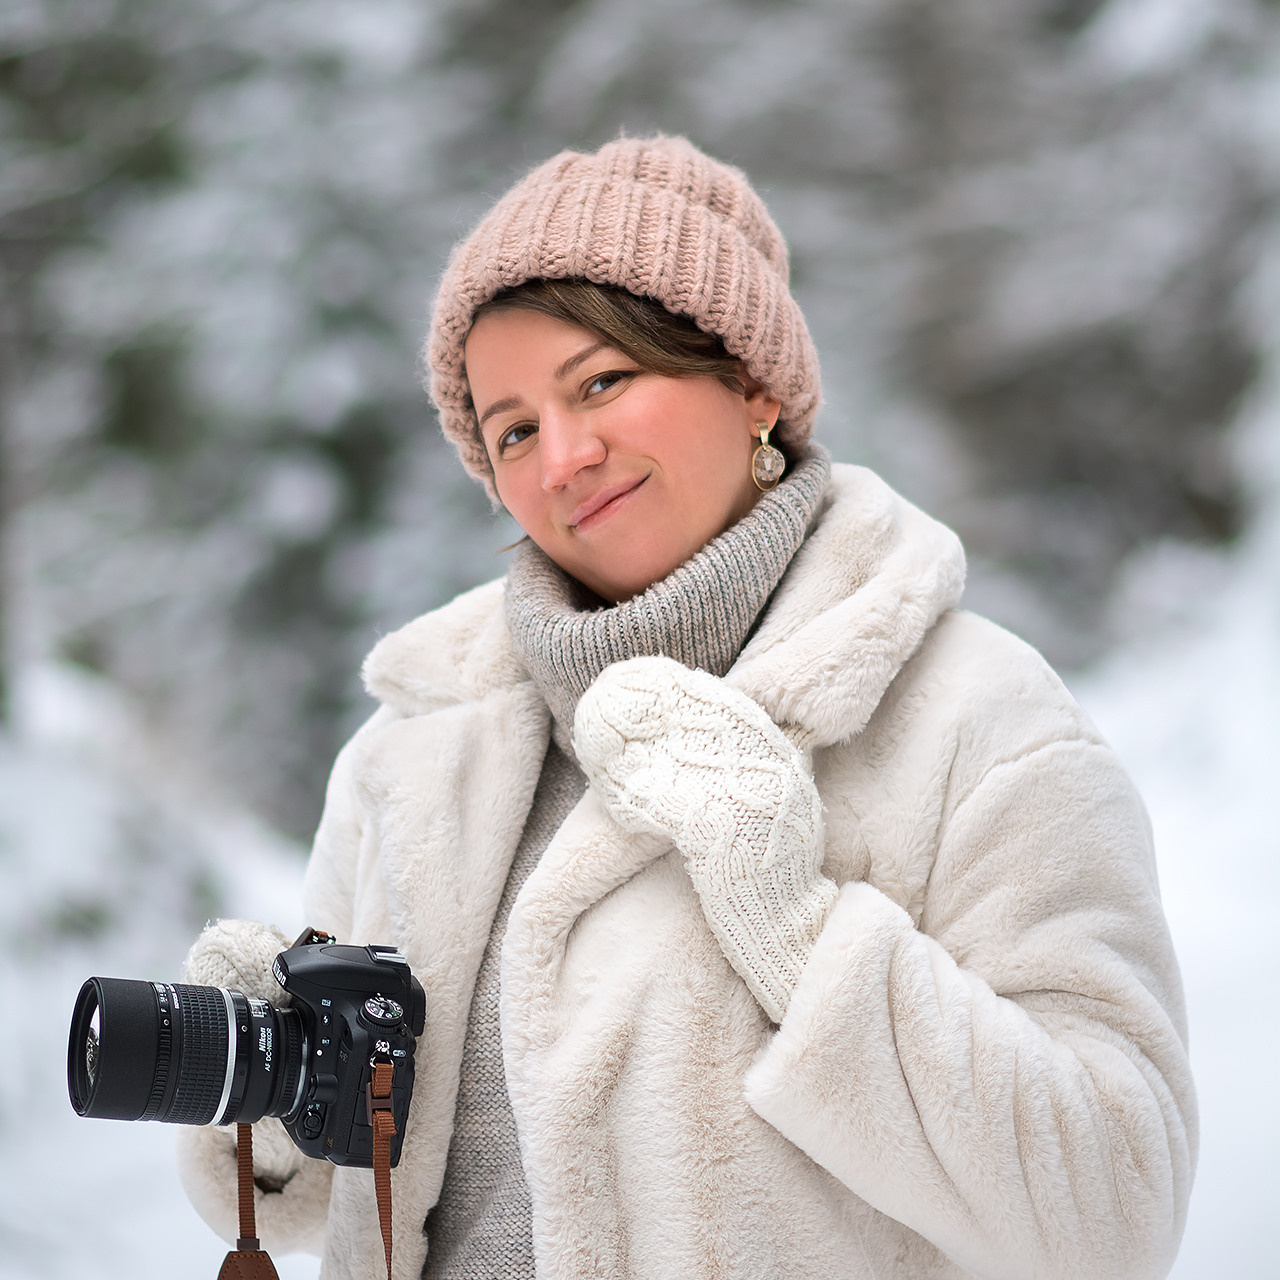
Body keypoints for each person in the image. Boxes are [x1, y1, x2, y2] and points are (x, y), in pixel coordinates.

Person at [178, 135, 1196, 1280]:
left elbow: (1114, 1210)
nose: (563, 456)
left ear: (751, 383)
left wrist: (790, 919)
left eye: (602, 381)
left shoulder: (973, 713)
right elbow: (342, 1196)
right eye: (512, 429)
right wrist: (262, 1079)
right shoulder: (414, 749)